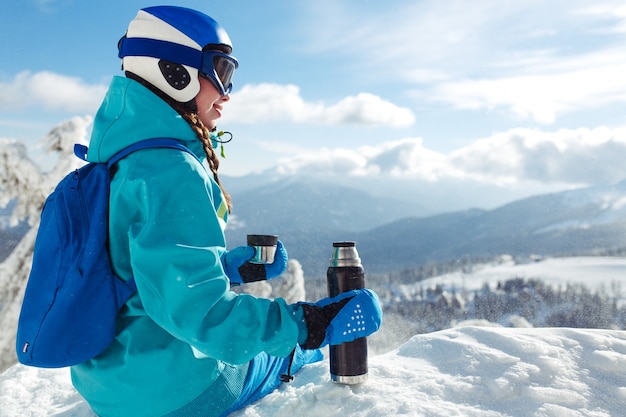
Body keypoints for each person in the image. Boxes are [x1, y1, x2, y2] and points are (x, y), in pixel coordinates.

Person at [70, 6, 382, 417]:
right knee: (292, 356)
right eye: (221, 71)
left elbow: (133, 268)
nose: (227, 92)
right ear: (173, 72)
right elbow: (202, 316)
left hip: (111, 382)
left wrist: (226, 268)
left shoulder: (120, 157)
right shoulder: (169, 169)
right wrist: (312, 325)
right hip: (173, 393)